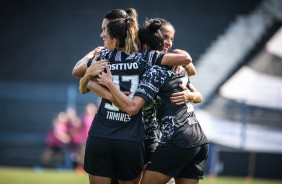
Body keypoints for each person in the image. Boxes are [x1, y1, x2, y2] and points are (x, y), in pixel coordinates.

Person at [79, 11, 193, 184]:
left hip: (105, 134)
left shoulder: (103, 57)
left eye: (105, 33)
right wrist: (180, 64)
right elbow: (186, 61)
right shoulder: (147, 59)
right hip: (133, 136)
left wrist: (91, 74)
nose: (102, 36)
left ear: (115, 40)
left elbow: (80, 78)